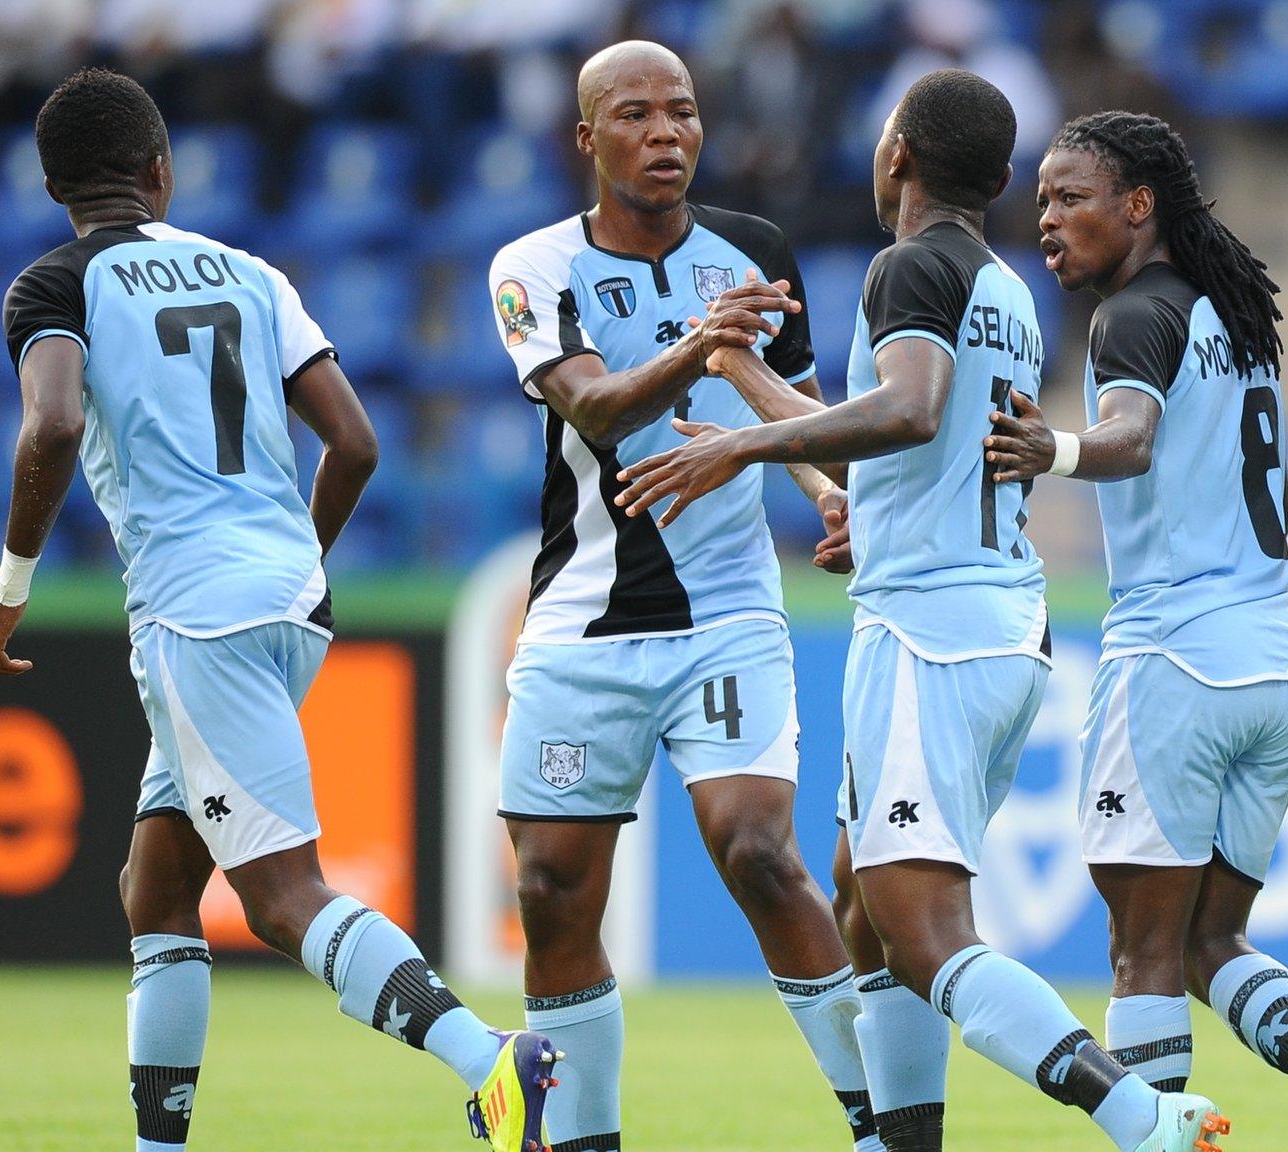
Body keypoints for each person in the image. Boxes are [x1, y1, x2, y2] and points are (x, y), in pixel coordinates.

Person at [613, 67, 1227, 1152]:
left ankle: (1144, 1120)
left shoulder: (908, 266)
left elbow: (907, 411)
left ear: (896, 153)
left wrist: (742, 446)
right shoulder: (996, 287)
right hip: (990, 621)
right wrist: (741, 373)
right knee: (861, 899)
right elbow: (917, 445)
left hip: (931, 635)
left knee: (919, 929)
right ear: (996, 180)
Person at [0, 67, 556, 1152]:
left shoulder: (53, 285)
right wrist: (297, 560)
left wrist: (10, 590)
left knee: (283, 899)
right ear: (161, 172)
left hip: (196, 613)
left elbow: (50, 428)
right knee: (156, 887)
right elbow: (358, 442)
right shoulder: (252, 272)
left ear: (54, 186)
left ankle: (491, 1062)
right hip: (287, 600)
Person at [482, 40, 875, 1152]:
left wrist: (819, 488)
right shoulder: (532, 266)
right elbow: (593, 410)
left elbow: (787, 401)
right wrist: (698, 347)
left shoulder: (751, 252)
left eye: (684, 113)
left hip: (727, 611)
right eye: (637, 115)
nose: (667, 134)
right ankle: (587, 1137)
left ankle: (880, 1121)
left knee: (756, 848)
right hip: (583, 620)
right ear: (586, 138)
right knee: (553, 889)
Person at [983, 108, 1288, 1152]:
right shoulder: (1235, 317)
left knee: (1142, 951)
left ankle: (1162, 1135)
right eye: (1039, 200)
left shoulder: (1132, 318)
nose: (1047, 220)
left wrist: (1054, 452)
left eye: (1071, 198)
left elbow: (1126, 441)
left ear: (1139, 204)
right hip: (1274, 661)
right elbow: (1281, 501)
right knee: (1215, 938)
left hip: (1172, 658)